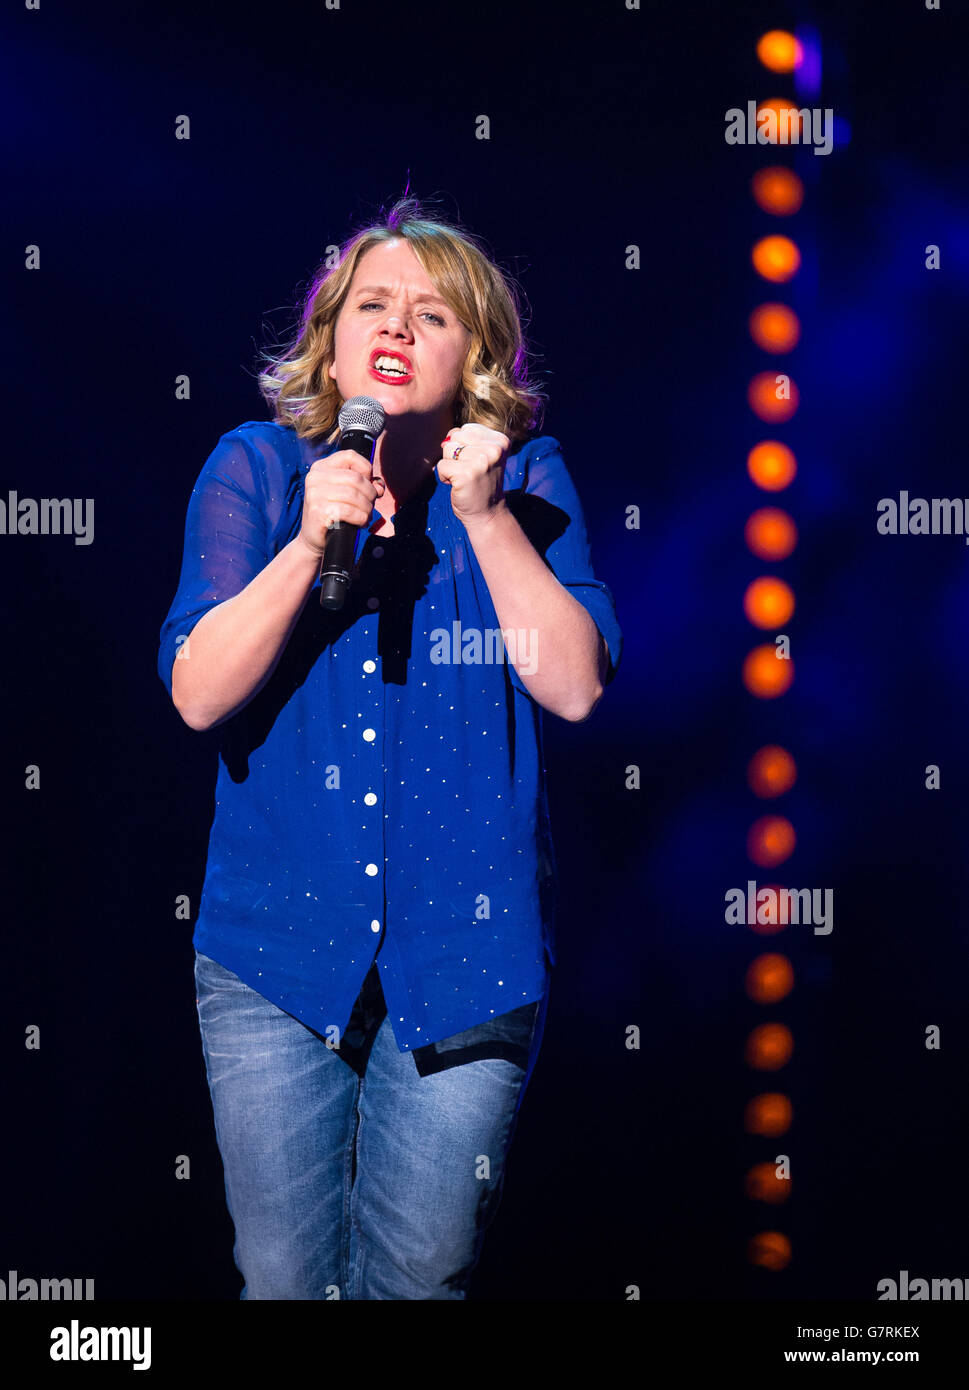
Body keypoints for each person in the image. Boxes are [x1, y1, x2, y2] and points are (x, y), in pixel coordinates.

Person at [157, 195, 622, 1300]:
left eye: (433, 313)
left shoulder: (532, 485)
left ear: (476, 360)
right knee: (283, 1282)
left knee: (420, 1281)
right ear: (332, 337)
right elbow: (194, 692)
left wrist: (488, 517)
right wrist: (309, 542)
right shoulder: (257, 468)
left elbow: (573, 684)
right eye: (374, 304)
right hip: (274, 956)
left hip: (467, 964)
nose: (399, 326)